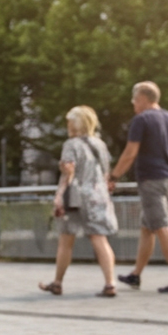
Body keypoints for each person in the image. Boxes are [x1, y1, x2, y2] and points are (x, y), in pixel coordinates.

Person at [109, 81, 168, 293]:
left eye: (134, 100)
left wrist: (113, 176)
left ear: (143, 99)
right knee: (148, 228)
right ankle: (136, 275)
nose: (133, 104)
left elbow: (130, 153)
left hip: (151, 181)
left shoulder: (141, 120)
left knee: (163, 227)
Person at [39, 106, 119, 297]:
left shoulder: (71, 144)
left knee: (66, 239)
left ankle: (57, 283)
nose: (67, 125)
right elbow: (106, 173)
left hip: (76, 197)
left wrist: (59, 196)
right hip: (98, 196)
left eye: (69, 121)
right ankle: (110, 283)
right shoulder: (100, 144)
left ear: (76, 124)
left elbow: (69, 171)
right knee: (99, 238)